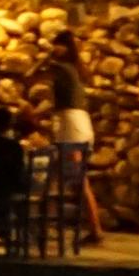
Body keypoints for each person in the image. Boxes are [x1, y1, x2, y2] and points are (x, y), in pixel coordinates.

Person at [48, 65, 104, 236]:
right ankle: (46, 223)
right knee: (64, 177)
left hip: (70, 127)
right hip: (81, 125)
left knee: (79, 180)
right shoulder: (77, 73)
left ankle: (96, 229)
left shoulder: (62, 71)